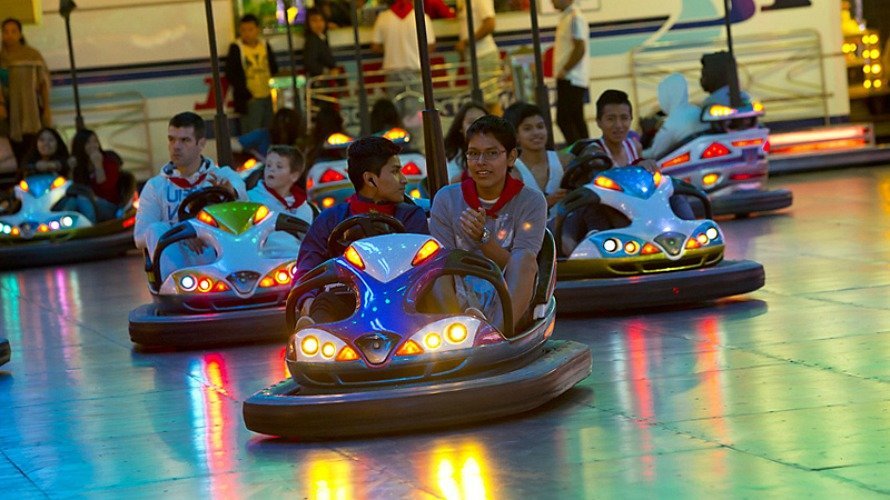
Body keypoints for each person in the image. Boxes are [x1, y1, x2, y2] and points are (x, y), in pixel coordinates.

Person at [294, 135, 429, 325]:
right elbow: (308, 268)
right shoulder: (330, 219)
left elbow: (423, 266)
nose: (404, 180)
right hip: (348, 300)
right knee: (324, 302)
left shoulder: (411, 216)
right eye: (396, 172)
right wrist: (307, 298)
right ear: (370, 180)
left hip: (404, 298)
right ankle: (312, 336)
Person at [429, 115, 547, 331]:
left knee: (524, 259)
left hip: (507, 291)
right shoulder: (447, 198)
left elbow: (521, 266)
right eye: (474, 154)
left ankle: (497, 334)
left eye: (492, 153)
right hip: (458, 290)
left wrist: (484, 240)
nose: (481, 162)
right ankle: (457, 329)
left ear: (511, 157)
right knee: (435, 263)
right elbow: (443, 262)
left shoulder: (531, 201)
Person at [134, 112, 247, 277]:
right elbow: (140, 236)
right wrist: (181, 234)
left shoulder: (222, 176)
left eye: (184, 140)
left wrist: (230, 193)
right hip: (177, 259)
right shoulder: (156, 186)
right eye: (171, 139)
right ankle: (175, 286)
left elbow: (241, 193)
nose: (176, 146)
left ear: (201, 144)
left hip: (216, 255)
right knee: (155, 228)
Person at [1, 18, 52, 162]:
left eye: (13, 31)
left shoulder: (32, 55)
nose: (9, 35)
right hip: (10, 110)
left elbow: (43, 83)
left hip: (32, 109)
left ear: (20, 34)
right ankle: (22, 177)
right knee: (19, 152)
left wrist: (47, 109)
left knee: (35, 147)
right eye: (5, 32)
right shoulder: (1, 58)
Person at [248, 145, 313, 256]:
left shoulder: (304, 208)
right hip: (263, 259)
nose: (271, 169)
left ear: (294, 176)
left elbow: (307, 242)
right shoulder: (250, 199)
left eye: (279, 166)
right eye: (268, 165)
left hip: (293, 262)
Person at [371, 0, 436, 105]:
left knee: (395, 111)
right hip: (416, 70)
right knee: (417, 110)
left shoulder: (383, 18)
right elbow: (431, 46)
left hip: (393, 71)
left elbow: (375, 47)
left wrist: (390, 48)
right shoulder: (422, 17)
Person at [503, 102, 566, 208]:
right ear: (515, 136)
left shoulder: (565, 161)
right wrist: (547, 202)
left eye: (540, 126)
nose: (536, 132)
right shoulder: (512, 171)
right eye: (527, 129)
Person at [225, 14, 279, 134]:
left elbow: (273, 67)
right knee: (252, 132)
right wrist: (247, 95)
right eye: (243, 30)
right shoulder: (236, 48)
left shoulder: (264, 45)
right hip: (249, 98)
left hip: (267, 95)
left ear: (257, 30)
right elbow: (231, 74)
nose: (247, 33)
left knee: (269, 130)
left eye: (250, 29)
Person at [68, 129, 134, 221]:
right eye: (87, 143)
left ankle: (90, 230)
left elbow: (106, 190)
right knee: (71, 202)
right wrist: (71, 170)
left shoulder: (109, 161)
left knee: (83, 200)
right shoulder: (78, 164)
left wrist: (98, 166)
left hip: (109, 205)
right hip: (84, 201)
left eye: (95, 141)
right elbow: (71, 188)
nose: (93, 145)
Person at [643, 73, 709, 161]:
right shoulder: (697, 110)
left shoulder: (672, 122)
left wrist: (636, 151)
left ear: (668, 95)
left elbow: (656, 153)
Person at [552, 0, 590, 145]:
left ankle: (580, 151)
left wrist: (565, 69)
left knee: (565, 119)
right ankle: (586, 151)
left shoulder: (575, 17)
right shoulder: (566, 17)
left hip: (571, 78)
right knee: (575, 119)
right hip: (568, 77)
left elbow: (580, 47)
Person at [455, 0, 500, 106]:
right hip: (476, 57)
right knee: (481, 102)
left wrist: (466, 42)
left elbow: (490, 24)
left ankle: (497, 123)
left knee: (489, 102)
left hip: (484, 55)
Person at [584, 89, 642, 166]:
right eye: (610, 119)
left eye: (624, 118)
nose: (618, 125)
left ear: (631, 119)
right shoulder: (593, 154)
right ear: (599, 122)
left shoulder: (635, 147)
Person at [233, 107, 302, 161]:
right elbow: (234, 143)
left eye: (287, 125)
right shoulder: (263, 134)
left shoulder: (297, 146)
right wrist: (251, 153)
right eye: (280, 122)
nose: (282, 127)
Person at [443, 101, 487, 182]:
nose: (478, 126)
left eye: (483, 121)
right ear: (460, 127)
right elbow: (451, 182)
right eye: (471, 122)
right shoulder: (453, 153)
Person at [302, 8, 339, 82]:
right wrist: (327, 71)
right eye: (314, 20)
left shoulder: (321, 37)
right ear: (308, 23)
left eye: (321, 20)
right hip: (320, 82)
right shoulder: (312, 40)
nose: (318, 24)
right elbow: (310, 63)